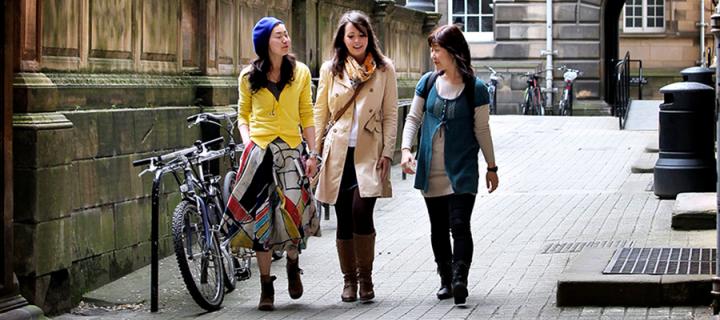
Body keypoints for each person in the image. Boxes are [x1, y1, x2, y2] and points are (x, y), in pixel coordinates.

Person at [400, 24, 499, 305]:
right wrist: (406, 149)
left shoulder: (475, 89)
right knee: (438, 228)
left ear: (453, 52)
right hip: (431, 169)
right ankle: (445, 278)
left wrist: (492, 167)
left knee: (459, 224)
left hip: (462, 171)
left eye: (438, 49)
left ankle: (459, 279)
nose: (433, 54)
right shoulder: (427, 83)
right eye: (431, 48)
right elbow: (413, 119)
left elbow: (482, 130)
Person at [226, 16, 319, 311]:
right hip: (259, 152)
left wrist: (313, 153)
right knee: (260, 219)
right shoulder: (247, 77)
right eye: (279, 35)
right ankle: (266, 285)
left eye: (286, 34)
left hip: (291, 152)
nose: (285, 39)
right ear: (266, 43)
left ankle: (293, 263)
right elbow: (242, 115)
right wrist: (247, 143)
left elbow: (307, 114)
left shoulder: (301, 73)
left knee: (292, 215)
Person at [313, 10, 398, 303]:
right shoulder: (330, 69)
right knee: (343, 218)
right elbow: (320, 112)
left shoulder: (384, 69)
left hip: (370, 153)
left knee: (362, 211)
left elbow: (390, 114)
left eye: (362, 35)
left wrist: (389, 152)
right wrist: (314, 152)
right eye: (351, 35)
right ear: (342, 38)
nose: (357, 40)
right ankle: (349, 280)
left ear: (369, 36)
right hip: (337, 153)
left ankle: (366, 278)